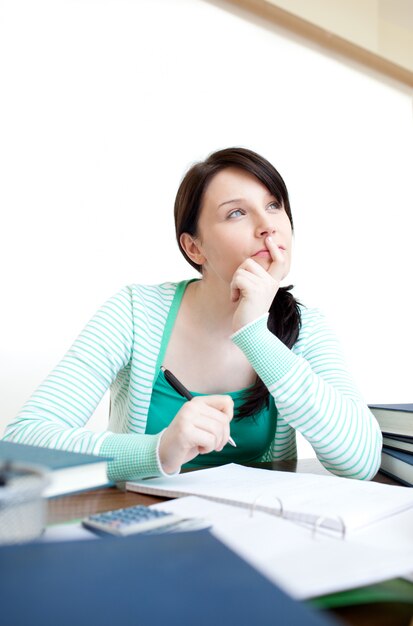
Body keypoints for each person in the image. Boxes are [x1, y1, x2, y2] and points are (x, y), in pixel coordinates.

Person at [4, 147, 382, 481]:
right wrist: (159, 450)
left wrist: (255, 334)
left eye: (273, 205)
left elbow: (361, 460)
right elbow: (21, 444)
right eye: (236, 213)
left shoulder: (307, 328)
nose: (267, 225)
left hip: (262, 539)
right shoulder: (134, 312)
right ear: (194, 247)